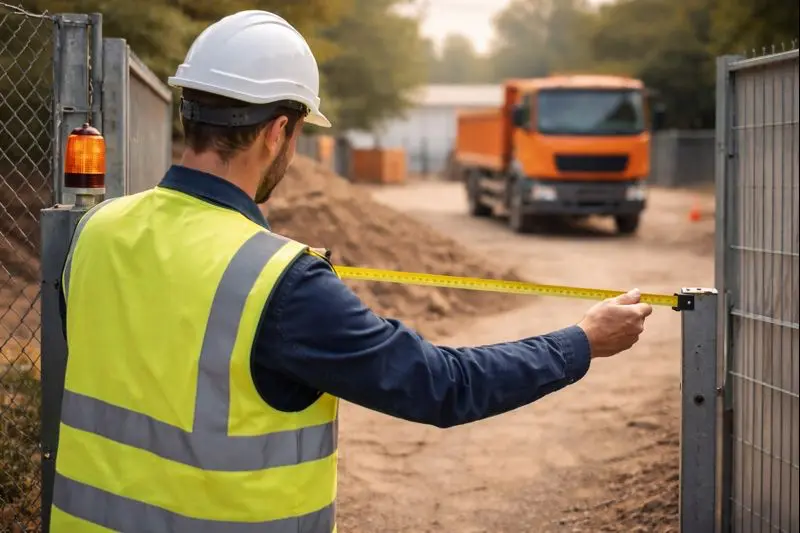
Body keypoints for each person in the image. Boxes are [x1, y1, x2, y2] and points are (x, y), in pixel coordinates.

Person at [50, 10, 653, 533]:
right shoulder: (278, 282)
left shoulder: (97, 232)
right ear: (278, 130)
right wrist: (580, 343)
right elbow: (442, 386)